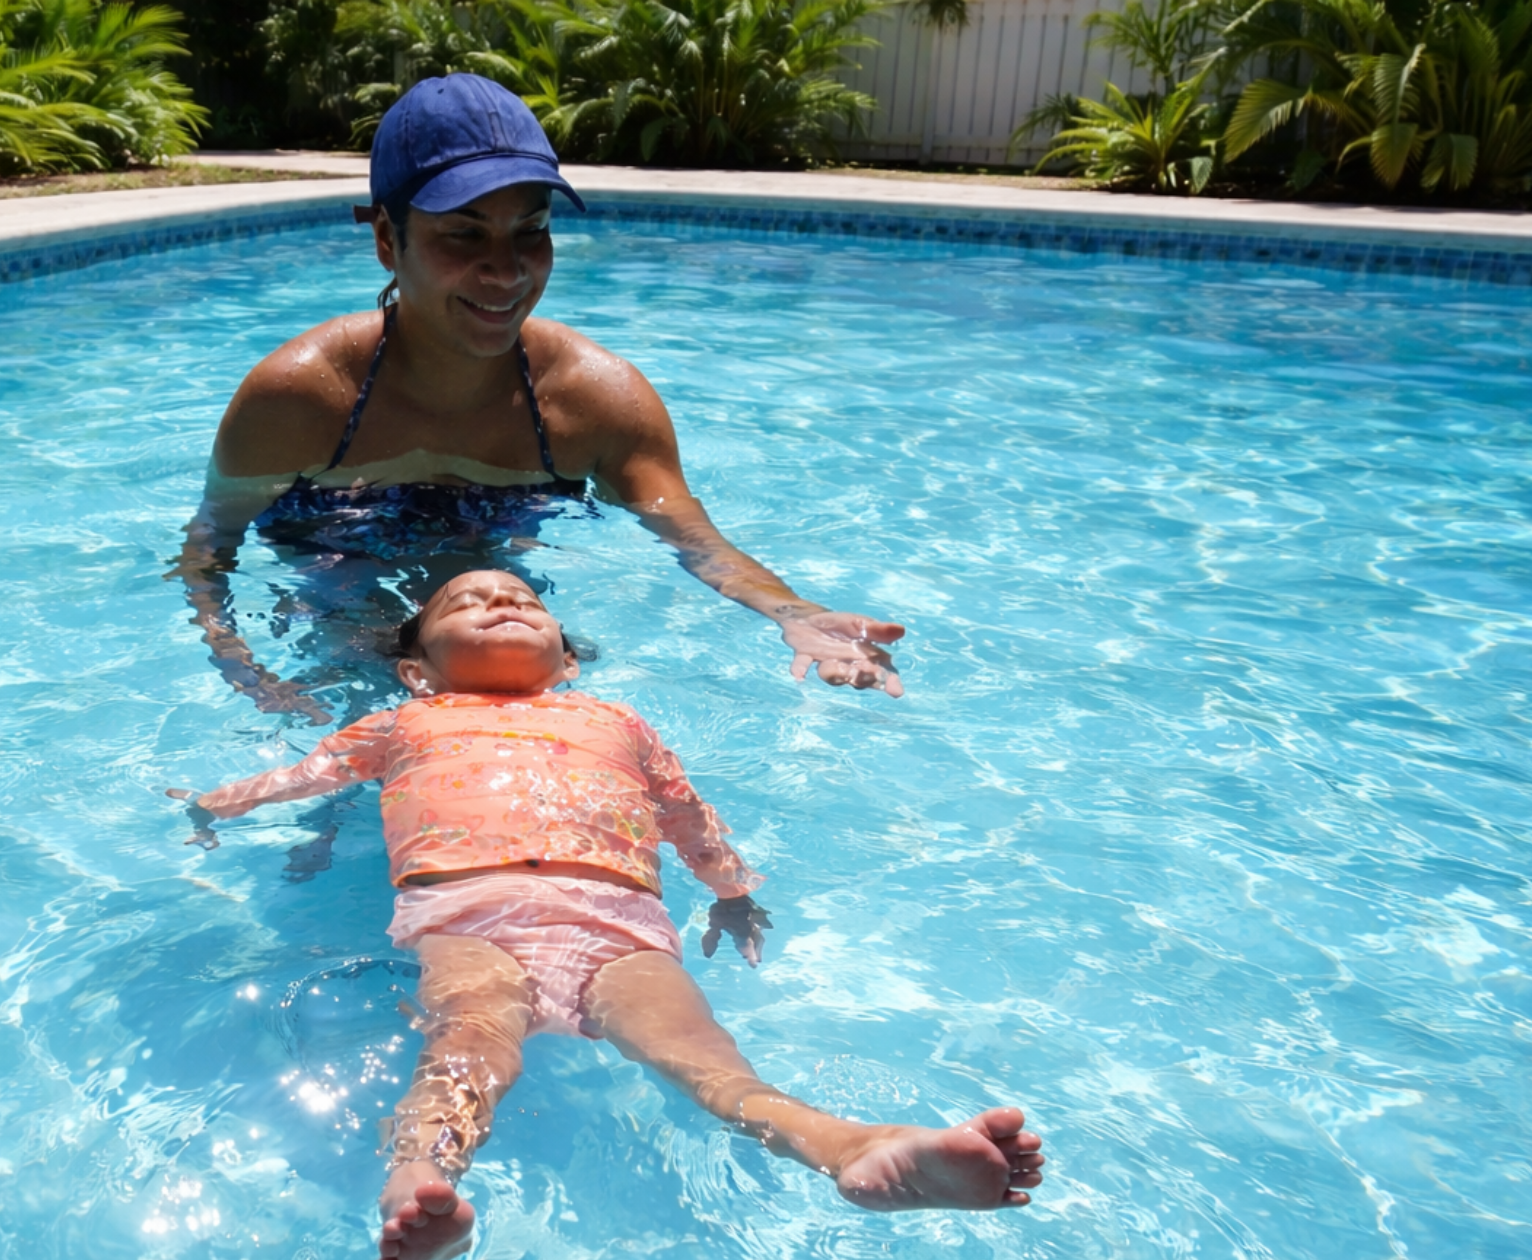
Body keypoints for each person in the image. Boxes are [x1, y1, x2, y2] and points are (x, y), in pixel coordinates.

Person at [172, 570, 1046, 1260]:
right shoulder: (406, 721)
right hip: (471, 909)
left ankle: (850, 1146)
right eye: (468, 601)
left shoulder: (615, 720)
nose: (501, 602)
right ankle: (419, 1182)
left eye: (520, 599)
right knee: (472, 1036)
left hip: (619, 918)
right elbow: (306, 775)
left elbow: (685, 813)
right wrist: (215, 804)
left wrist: (733, 892)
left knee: (705, 1061)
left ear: (569, 662)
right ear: (417, 667)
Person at [173, 73, 907, 735]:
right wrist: (241, 668)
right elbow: (210, 548)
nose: (506, 271)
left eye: (532, 232)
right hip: (335, 574)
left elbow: (693, 541)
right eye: (465, 234)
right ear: (388, 240)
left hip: (494, 580)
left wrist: (796, 614)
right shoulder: (301, 398)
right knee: (352, 720)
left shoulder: (594, 401)